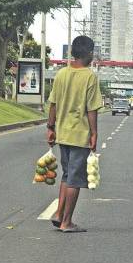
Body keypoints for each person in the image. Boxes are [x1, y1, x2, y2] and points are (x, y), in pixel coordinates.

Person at [46, 36, 102, 233]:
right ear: (88, 53)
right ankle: (66, 222)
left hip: (62, 133)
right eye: (92, 52)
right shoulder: (89, 77)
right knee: (75, 180)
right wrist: (94, 133)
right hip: (79, 135)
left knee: (67, 175)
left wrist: (50, 128)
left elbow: (52, 104)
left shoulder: (61, 74)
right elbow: (91, 110)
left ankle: (59, 213)